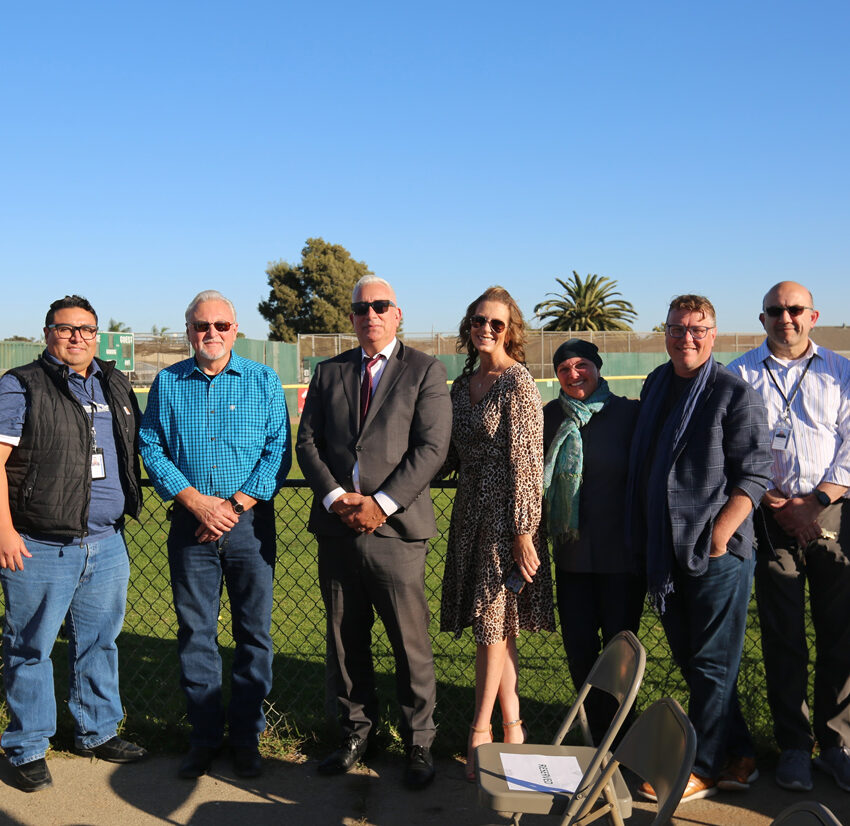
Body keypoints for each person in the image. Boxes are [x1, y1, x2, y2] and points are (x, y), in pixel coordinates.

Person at [296, 275, 451, 790]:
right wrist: (338, 499)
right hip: (340, 528)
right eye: (362, 308)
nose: (371, 315)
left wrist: (381, 506)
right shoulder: (329, 372)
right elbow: (309, 444)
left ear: (397, 313)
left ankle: (419, 742)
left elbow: (431, 449)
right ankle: (355, 734)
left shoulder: (425, 371)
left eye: (380, 306)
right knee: (344, 641)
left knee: (410, 643)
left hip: (397, 532)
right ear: (352, 317)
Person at [625, 294, 771, 803]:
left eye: (697, 329)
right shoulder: (657, 383)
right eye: (677, 328)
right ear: (664, 332)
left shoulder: (734, 393)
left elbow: (755, 474)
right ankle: (742, 754)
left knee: (711, 663)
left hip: (715, 555)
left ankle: (702, 765)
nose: (687, 337)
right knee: (699, 662)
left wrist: (719, 536)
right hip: (665, 550)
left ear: (713, 334)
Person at [139, 290, 290, 780]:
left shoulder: (264, 380)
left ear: (235, 329)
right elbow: (151, 446)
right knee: (196, 634)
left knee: (254, 636)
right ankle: (204, 738)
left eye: (221, 326)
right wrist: (194, 501)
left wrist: (234, 505)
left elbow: (276, 452)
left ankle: (246, 739)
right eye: (202, 326)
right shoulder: (168, 382)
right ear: (188, 331)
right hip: (190, 524)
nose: (212, 334)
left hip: (247, 526)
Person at [0, 295, 146, 793]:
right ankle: (26, 747)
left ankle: (97, 730)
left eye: (86, 329)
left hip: (105, 542)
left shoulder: (113, 381)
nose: (78, 337)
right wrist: (4, 532)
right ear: (47, 333)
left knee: (99, 641)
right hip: (39, 543)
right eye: (67, 329)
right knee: (31, 648)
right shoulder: (21, 385)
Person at [729, 281, 850, 794]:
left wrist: (816, 501)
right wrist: (775, 503)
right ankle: (795, 747)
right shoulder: (739, 373)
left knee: (840, 634)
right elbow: (731, 445)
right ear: (763, 319)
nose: (786, 318)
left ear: (813, 315)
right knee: (784, 638)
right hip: (768, 517)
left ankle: (837, 745)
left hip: (833, 513)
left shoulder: (841, 370)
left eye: (795, 309)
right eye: (775, 311)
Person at [440, 286, 555, 781]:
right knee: (497, 629)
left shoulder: (519, 383)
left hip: (507, 522)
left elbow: (527, 464)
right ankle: (515, 730)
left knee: (491, 626)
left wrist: (524, 532)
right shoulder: (459, 385)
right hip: (469, 514)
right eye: (478, 321)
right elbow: (445, 456)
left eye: (497, 323)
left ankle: (479, 731)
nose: (485, 329)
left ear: (511, 331)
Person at [542, 338, 643, 745]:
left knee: (620, 655)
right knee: (580, 650)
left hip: (622, 559)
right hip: (573, 558)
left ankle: (621, 733)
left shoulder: (629, 413)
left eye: (581, 365)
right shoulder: (550, 416)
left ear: (598, 367)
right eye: (564, 369)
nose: (573, 374)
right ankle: (591, 731)